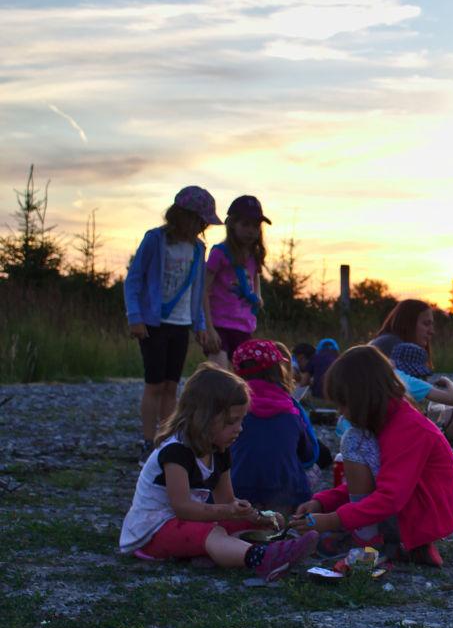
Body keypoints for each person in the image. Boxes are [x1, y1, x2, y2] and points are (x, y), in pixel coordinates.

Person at [119, 363, 319, 581]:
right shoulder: (176, 452)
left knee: (248, 523)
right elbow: (183, 508)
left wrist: (257, 516)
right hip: (153, 531)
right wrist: (227, 511)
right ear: (203, 417)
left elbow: (227, 500)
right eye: (231, 422)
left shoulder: (219, 451)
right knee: (214, 532)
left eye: (242, 420)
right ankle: (260, 558)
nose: (239, 428)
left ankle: (262, 545)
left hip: (187, 523)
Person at [290, 346, 453, 568]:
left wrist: (333, 520)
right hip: (413, 507)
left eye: (343, 404)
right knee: (357, 438)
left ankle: (369, 540)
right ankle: (376, 535)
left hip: (420, 517)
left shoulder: (407, 429)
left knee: (354, 439)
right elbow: (375, 482)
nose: (341, 412)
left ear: (364, 397)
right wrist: (322, 502)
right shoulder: (391, 420)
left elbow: (390, 497)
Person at [124, 185, 219, 463]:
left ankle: (165, 440)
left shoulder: (198, 248)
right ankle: (147, 441)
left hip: (181, 323)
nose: (201, 226)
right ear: (181, 216)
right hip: (153, 323)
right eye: (198, 220)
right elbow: (134, 280)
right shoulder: (155, 240)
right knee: (154, 384)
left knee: (171, 385)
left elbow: (197, 289)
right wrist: (135, 317)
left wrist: (199, 324)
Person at [229, 339, 318, 513]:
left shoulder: (230, 408)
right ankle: (293, 521)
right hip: (288, 496)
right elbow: (309, 456)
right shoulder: (291, 408)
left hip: (237, 493)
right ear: (279, 370)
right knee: (313, 469)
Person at [203, 195, 269, 368]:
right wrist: (208, 328)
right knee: (220, 374)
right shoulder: (220, 252)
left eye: (255, 226)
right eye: (245, 224)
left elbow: (255, 275)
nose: (251, 231)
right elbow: (204, 290)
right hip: (219, 324)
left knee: (245, 378)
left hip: (244, 327)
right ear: (232, 224)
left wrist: (258, 296)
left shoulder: (255, 254)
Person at [389, 342, 453, 440]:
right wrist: (449, 382)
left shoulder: (387, 374)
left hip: (388, 426)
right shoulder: (408, 380)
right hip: (400, 430)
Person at [369, 299, 434, 359]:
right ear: (408, 322)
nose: (431, 331)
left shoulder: (387, 341)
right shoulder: (394, 346)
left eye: (431, 324)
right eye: (426, 324)